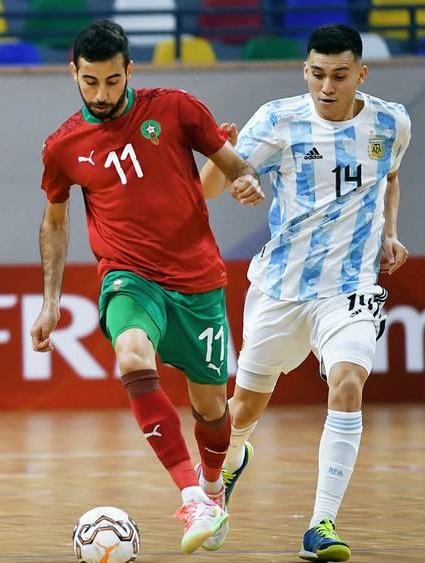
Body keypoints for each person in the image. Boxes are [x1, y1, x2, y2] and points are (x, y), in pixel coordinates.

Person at [29, 20, 264, 554]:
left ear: (129, 70)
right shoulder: (63, 146)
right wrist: (50, 303)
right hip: (128, 276)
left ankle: (212, 484)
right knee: (132, 356)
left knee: (211, 410)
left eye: (112, 81)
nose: (102, 94)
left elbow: (231, 163)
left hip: (198, 280)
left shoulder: (176, 107)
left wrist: (246, 178)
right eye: (90, 82)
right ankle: (189, 496)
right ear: (74, 73)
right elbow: (56, 224)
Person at [199, 24, 410, 562]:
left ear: (360, 74)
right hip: (281, 287)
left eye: (340, 76)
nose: (327, 87)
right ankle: (229, 465)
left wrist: (388, 233)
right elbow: (212, 187)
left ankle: (321, 524)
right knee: (242, 408)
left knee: (347, 382)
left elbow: (388, 178)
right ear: (305, 72)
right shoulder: (276, 120)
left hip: (352, 286)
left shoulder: (391, 122)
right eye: (317, 74)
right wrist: (226, 162)